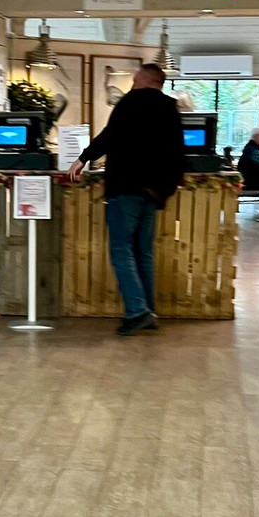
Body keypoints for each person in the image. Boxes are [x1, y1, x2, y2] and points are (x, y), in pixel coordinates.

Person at [68, 63, 184, 335]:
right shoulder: (170, 108)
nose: (132, 84)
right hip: (153, 192)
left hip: (127, 186)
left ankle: (137, 311)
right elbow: (178, 150)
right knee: (143, 253)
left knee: (121, 252)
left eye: (135, 80)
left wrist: (83, 158)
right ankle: (149, 311)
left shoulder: (130, 102)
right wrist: (166, 188)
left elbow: (110, 135)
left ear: (145, 80)